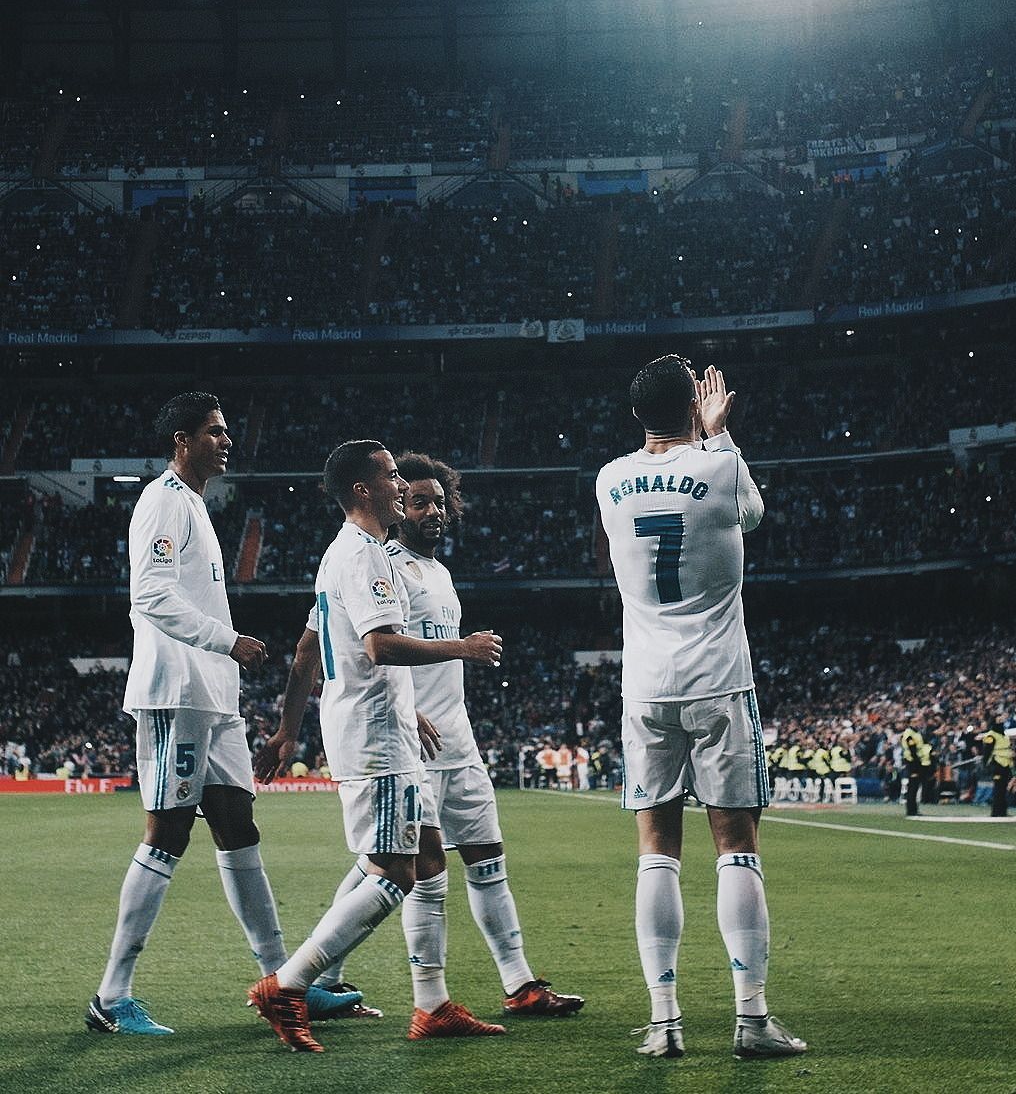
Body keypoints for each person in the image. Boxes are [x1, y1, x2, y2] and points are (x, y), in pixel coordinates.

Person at [256, 451, 583, 1020]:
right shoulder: (379, 563)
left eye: (439, 501)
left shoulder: (437, 572)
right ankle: (338, 984)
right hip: (406, 740)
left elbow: (319, 646)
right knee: (408, 868)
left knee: (480, 857)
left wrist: (288, 730)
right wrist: (290, 728)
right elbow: (324, 646)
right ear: (395, 506)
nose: (433, 511)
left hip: (454, 736)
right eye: (417, 500)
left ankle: (519, 984)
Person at [86, 392, 359, 1036]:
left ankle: (284, 982)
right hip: (175, 692)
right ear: (182, 439)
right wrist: (225, 640)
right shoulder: (161, 500)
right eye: (214, 431)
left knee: (238, 823)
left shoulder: (196, 506)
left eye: (227, 431)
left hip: (213, 697)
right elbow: (149, 595)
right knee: (168, 832)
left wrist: (225, 662)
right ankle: (112, 995)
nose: (226, 441)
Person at [595, 357, 806, 1061]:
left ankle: (665, 1022)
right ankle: (750, 1020)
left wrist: (693, 431)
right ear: (696, 404)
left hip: (646, 687)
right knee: (736, 849)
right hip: (719, 680)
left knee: (656, 853)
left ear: (634, 416)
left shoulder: (609, 479)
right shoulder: (721, 468)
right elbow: (751, 513)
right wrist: (717, 436)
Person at [980, 720, 1014, 817]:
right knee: (998, 789)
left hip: (1006, 764)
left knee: (1003, 789)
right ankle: (995, 812)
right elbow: (987, 750)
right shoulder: (991, 735)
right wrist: (985, 763)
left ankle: (1003, 811)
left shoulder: (1004, 735)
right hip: (997, 763)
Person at [899, 719, 929, 817]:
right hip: (912, 761)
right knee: (913, 786)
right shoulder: (909, 733)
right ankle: (911, 809)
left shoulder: (915, 733)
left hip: (917, 761)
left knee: (915, 786)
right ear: (911, 723)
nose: (919, 724)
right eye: (916, 722)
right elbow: (912, 748)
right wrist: (916, 761)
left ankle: (914, 809)